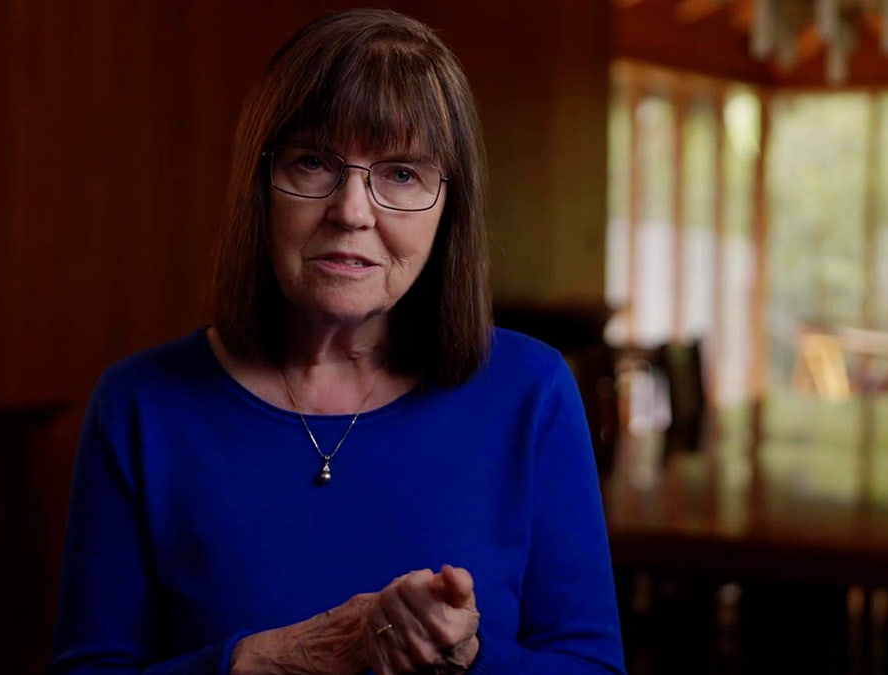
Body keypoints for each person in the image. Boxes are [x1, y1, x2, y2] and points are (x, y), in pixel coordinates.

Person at [49, 8, 625, 674]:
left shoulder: (533, 391)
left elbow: (593, 666)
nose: (352, 211)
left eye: (401, 174)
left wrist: (464, 656)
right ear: (260, 184)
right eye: (314, 162)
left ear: (451, 206)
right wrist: (261, 661)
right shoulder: (140, 403)